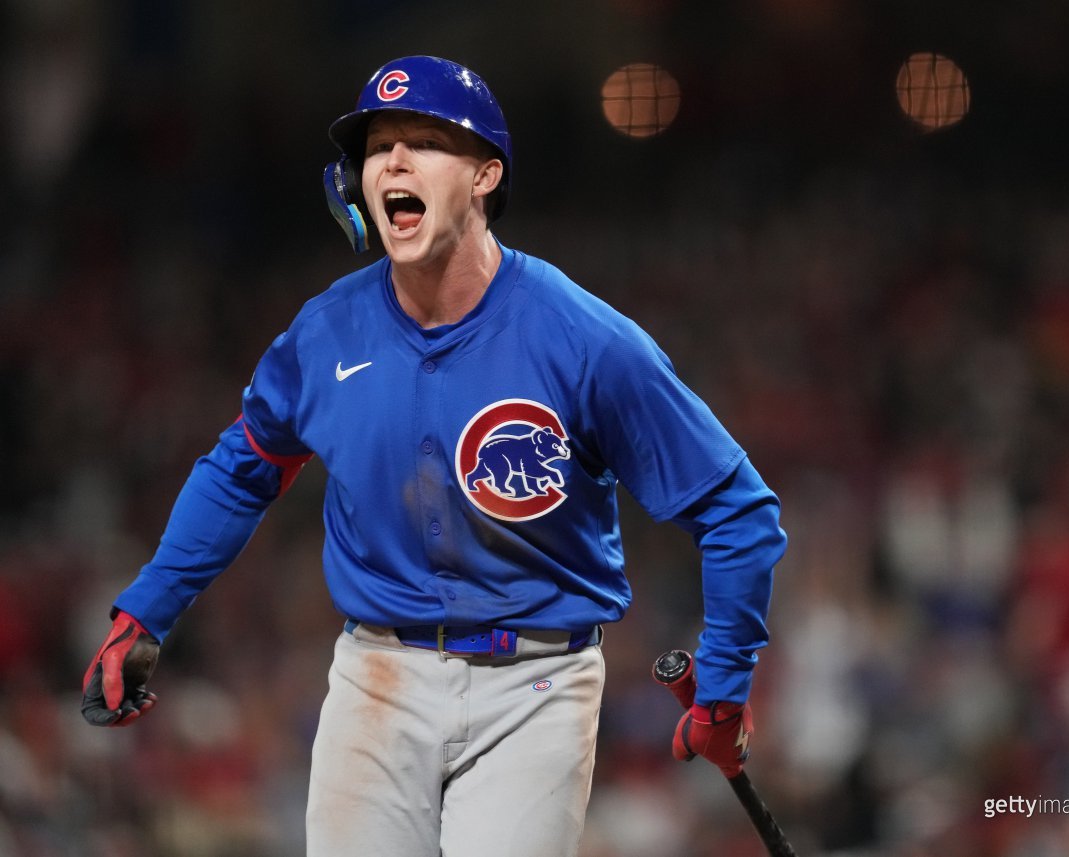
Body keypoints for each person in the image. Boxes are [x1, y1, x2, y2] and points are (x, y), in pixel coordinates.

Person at [81, 55, 788, 857]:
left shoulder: (583, 338)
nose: (394, 162)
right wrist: (148, 607)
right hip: (376, 673)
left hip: (537, 685)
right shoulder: (325, 333)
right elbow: (243, 466)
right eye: (378, 147)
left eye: (425, 141)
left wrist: (724, 681)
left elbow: (737, 510)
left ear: (486, 175)